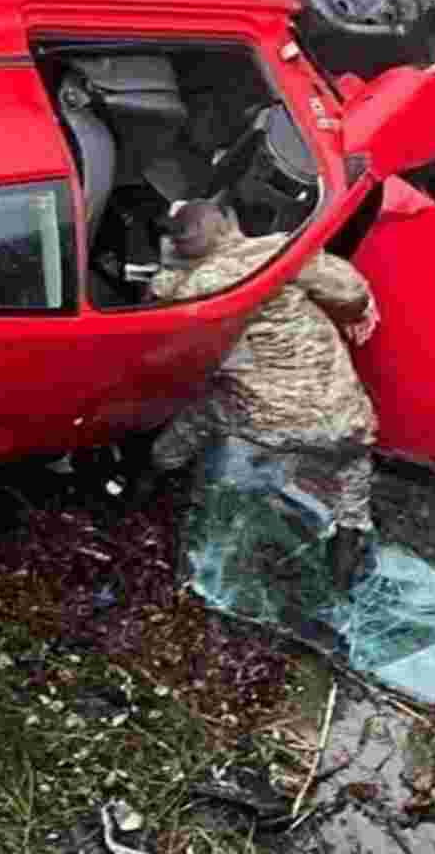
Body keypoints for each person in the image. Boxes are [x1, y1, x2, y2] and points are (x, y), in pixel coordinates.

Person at [145, 199, 380, 588]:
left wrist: (167, 268)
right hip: (342, 413)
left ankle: (149, 478)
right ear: (230, 220)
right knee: (352, 458)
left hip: (264, 420)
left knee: (197, 419)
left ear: (179, 245)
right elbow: (348, 288)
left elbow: (157, 308)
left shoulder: (193, 285)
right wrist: (357, 311)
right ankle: (350, 530)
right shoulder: (279, 253)